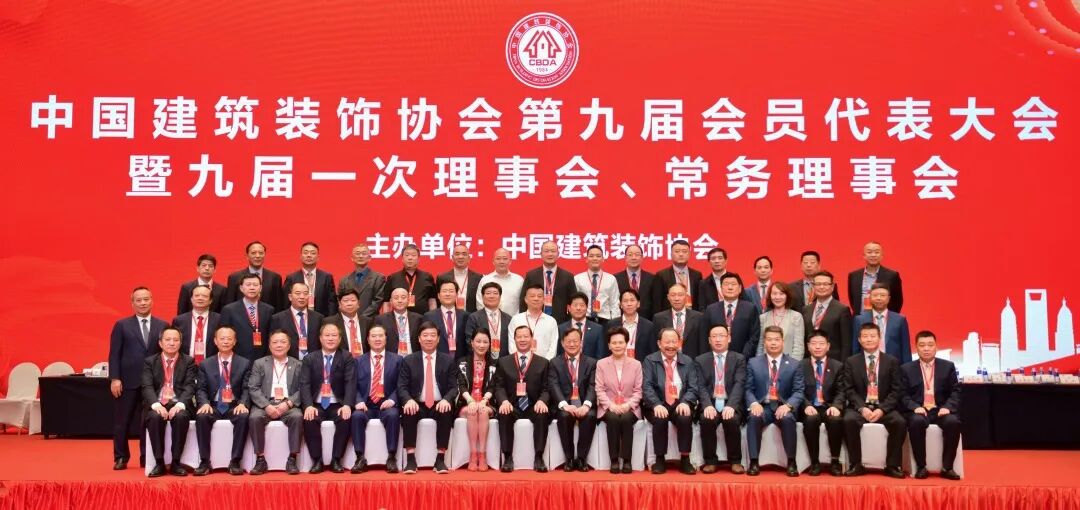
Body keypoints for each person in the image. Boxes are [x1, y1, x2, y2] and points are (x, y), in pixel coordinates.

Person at [108, 286, 167, 470]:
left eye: (146, 299)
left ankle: (146, 457)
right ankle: (121, 457)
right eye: (138, 300)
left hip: (154, 383)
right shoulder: (122, 325)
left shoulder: (163, 325)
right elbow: (114, 354)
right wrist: (115, 378)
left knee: (149, 421)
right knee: (122, 421)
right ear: (132, 303)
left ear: (152, 301)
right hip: (127, 381)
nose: (143, 303)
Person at [841, 323, 906, 478]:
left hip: (883, 407)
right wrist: (861, 408)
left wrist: (882, 409)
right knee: (848, 420)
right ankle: (856, 464)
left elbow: (896, 390)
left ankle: (892, 465)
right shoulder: (851, 362)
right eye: (865, 336)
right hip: (860, 407)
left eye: (872, 336)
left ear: (879, 338)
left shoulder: (891, 361)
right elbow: (849, 389)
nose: (869, 339)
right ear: (859, 339)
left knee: (900, 422)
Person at [900, 331, 962, 480]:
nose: (926, 348)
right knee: (916, 422)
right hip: (919, 410)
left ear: (936, 347)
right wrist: (914, 407)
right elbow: (902, 394)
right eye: (922, 345)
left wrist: (948, 407)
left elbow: (956, 391)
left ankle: (947, 467)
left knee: (953, 422)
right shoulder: (906, 368)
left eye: (930, 345)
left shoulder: (947, 366)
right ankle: (921, 467)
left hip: (940, 409)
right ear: (916, 348)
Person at [397, 321, 457, 474]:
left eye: (432, 335)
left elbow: (453, 387)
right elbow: (401, 387)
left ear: (438, 339)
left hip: (439, 403)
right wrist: (408, 400)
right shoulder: (409, 360)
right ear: (419, 339)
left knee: (446, 411)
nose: (429, 339)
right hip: (417, 403)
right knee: (409, 410)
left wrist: (446, 399)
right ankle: (411, 459)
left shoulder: (448, 361)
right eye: (425, 335)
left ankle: (440, 459)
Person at [744, 326, 804, 477]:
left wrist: (789, 405)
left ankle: (791, 462)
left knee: (788, 418)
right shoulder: (753, 363)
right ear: (764, 342)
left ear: (782, 341)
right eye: (769, 339)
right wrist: (754, 403)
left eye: (777, 340)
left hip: (782, 406)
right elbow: (748, 389)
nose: (773, 343)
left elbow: (799, 391)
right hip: (762, 406)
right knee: (753, 417)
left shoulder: (794, 364)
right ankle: (754, 462)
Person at [192, 326, 250, 476]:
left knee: (243, 416)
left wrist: (243, 403)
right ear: (215, 341)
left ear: (234, 341)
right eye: (222, 338)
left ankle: (235, 461)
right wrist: (204, 403)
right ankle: (204, 461)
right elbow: (200, 389)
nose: (225, 342)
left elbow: (246, 388)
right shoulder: (205, 364)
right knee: (201, 416)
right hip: (213, 405)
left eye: (229, 338)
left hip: (234, 405)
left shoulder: (244, 363)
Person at [299, 322, 357, 474]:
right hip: (316, 403)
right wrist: (308, 405)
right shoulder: (310, 358)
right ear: (320, 338)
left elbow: (350, 382)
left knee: (346, 418)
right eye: (327, 335)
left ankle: (336, 460)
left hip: (337, 403)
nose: (330, 338)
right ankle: (317, 460)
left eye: (334, 335)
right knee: (309, 418)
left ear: (340, 339)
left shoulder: (346, 357)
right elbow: (304, 384)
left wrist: (347, 405)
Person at [493, 325, 552, 472]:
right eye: (519, 336)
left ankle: (539, 457)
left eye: (526, 336)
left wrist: (542, 400)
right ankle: (507, 457)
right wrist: (504, 401)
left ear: (532, 339)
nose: (523, 339)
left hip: (533, 405)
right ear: (514, 339)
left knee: (543, 413)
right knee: (504, 413)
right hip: (512, 405)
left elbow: (547, 388)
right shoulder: (504, 362)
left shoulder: (543, 362)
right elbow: (499, 387)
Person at [643, 328, 700, 475]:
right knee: (660, 418)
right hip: (658, 403)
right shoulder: (650, 360)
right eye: (667, 342)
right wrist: (656, 404)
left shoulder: (688, 361)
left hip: (679, 403)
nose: (671, 345)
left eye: (674, 342)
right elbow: (647, 386)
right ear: (659, 344)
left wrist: (686, 402)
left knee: (685, 417)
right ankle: (660, 459)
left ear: (679, 343)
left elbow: (693, 387)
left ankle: (685, 458)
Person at [142, 327, 197, 477]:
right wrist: (156, 405)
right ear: (160, 343)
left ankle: (176, 463)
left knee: (181, 416)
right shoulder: (150, 362)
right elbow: (147, 386)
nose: (172, 343)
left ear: (180, 343)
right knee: (154, 417)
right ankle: (159, 463)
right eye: (168, 340)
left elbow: (190, 386)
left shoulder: (188, 361)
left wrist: (180, 405)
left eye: (175, 340)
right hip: (157, 402)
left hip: (178, 402)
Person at [247, 331, 303, 475]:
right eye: (275, 342)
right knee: (255, 417)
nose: (279, 345)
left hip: (288, 403)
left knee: (297, 417)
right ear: (269, 345)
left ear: (289, 346)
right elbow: (253, 387)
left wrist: (289, 403)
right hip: (266, 402)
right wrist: (266, 405)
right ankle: (260, 460)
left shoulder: (298, 364)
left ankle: (292, 459)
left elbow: (303, 388)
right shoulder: (259, 363)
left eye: (283, 342)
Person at [694, 324, 746, 474]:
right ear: (709, 340)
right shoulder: (700, 360)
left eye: (721, 336)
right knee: (707, 419)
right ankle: (710, 461)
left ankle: (735, 461)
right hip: (711, 402)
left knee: (731, 420)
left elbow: (739, 383)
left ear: (728, 338)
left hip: (730, 402)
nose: (718, 339)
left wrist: (731, 405)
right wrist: (707, 405)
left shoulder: (739, 359)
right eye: (714, 336)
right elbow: (700, 386)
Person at [350, 324, 402, 474]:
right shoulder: (358, 361)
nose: (377, 339)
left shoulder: (397, 360)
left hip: (387, 404)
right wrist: (358, 401)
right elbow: (352, 385)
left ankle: (391, 457)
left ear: (386, 338)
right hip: (366, 405)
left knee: (393, 415)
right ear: (367, 339)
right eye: (373, 336)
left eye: (380, 336)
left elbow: (401, 385)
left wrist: (392, 400)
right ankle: (360, 458)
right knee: (356, 416)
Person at [594, 327, 643, 474]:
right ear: (609, 345)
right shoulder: (601, 364)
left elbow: (638, 390)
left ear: (626, 343)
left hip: (630, 406)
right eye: (614, 343)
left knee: (627, 419)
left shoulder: (636, 364)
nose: (617, 346)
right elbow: (599, 389)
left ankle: (627, 460)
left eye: (621, 342)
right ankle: (614, 459)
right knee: (613, 419)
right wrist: (611, 405)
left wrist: (628, 405)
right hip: (608, 406)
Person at [549, 328, 598, 472]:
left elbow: (593, 385)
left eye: (575, 341)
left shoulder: (591, 363)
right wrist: (565, 405)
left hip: (584, 403)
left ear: (581, 343)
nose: (572, 344)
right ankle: (569, 458)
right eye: (568, 341)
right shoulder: (554, 363)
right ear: (562, 343)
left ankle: (582, 458)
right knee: (564, 416)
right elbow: (553, 385)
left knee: (590, 416)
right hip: (565, 405)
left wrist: (586, 405)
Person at [798, 330, 844, 476]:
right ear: (808, 346)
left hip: (828, 406)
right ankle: (814, 462)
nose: (817, 347)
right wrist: (806, 405)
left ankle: (835, 462)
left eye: (821, 343)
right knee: (811, 420)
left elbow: (841, 390)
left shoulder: (837, 366)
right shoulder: (800, 365)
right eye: (814, 343)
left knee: (836, 420)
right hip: (810, 406)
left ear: (828, 346)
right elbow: (797, 389)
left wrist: (836, 406)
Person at [455, 329, 498, 471]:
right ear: (472, 343)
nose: (481, 345)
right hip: (467, 402)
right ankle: (473, 454)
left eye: (485, 342)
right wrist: (471, 401)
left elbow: (493, 386)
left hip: (487, 402)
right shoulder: (462, 362)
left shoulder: (494, 364)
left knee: (483, 411)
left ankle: (483, 455)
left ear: (490, 344)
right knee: (472, 411)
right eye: (478, 341)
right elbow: (461, 385)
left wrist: (484, 401)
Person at [219, 273, 274, 361]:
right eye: (248, 285)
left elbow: (271, 335)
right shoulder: (229, 310)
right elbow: (223, 335)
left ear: (260, 288)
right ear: (241, 288)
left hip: (263, 358)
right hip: (237, 358)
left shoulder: (269, 310)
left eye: (255, 285)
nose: (252, 288)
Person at [704, 273, 760, 358]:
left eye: (733, 284)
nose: (730, 287)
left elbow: (754, 336)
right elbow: (705, 336)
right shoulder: (711, 309)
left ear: (740, 288)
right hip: (716, 358)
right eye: (726, 284)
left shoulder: (750, 308)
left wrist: (743, 357)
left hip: (743, 358)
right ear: (721, 288)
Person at [852, 284, 912, 364]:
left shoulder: (900, 320)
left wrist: (906, 368)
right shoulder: (859, 320)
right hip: (867, 364)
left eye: (882, 295)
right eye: (875, 295)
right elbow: (855, 348)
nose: (879, 298)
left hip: (893, 365)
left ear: (889, 298)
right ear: (870, 298)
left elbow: (905, 348)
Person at [521, 241, 576, 324]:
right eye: (546, 251)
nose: (550, 254)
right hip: (535, 320)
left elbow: (573, 302)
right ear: (541, 254)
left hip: (561, 322)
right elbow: (523, 300)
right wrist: (524, 321)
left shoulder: (568, 276)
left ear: (558, 254)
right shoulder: (531, 275)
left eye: (553, 251)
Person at [802, 271, 851, 362]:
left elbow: (846, 343)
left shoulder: (842, 310)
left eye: (825, 284)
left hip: (834, 362)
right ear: (813, 286)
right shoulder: (806, 309)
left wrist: (843, 365)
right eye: (818, 284)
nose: (821, 287)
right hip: (810, 361)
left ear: (832, 287)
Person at [223, 241, 285, 311]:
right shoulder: (234, 278)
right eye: (253, 253)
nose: (257, 256)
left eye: (261, 253)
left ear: (264, 255)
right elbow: (229, 304)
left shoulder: (275, 277)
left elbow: (279, 305)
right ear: (247, 256)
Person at [270, 282, 325, 361]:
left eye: (305, 294)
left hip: (313, 363)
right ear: (290, 297)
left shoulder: (319, 318)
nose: (302, 297)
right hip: (288, 362)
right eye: (298, 293)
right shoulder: (278, 318)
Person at [847, 241, 904, 314]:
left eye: (876, 252)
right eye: (869, 252)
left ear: (882, 255)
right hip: (860, 317)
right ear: (864, 255)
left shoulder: (892, 275)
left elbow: (897, 301)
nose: (873, 255)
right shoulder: (854, 275)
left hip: (883, 318)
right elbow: (852, 300)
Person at [652, 283, 707, 358]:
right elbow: (655, 345)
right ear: (668, 297)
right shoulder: (659, 318)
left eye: (680, 295)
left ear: (686, 296)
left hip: (692, 360)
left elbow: (703, 344)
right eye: (673, 295)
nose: (676, 298)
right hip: (667, 360)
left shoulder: (699, 317)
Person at [284, 241, 337, 317]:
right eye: (306, 253)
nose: (309, 255)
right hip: (298, 318)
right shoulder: (291, 278)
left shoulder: (326, 277)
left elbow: (332, 302)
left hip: (322, 318)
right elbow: (286, 303)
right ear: (301, 256)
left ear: (318, 257)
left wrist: (330, 320)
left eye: (313, 253)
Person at [507, 284, 560, 359]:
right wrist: (520, 361)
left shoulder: (551, 321)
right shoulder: (516, 319)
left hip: (544, 364)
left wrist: (545, 363)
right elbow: (512, 344)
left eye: (539, 296)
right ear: (526, 299)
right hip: (520, 363)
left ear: (544, 300)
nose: (536, 298)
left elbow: (553, 347)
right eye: (532, 296)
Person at [172, 284, 221, 365]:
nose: (200, 298)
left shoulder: (219, 319)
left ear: (210, 300)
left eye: (204, 296)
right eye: (197, 295)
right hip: (185, 365)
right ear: (191, 299)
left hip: (212, 365)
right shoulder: (179, 320)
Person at [382, 244, 437, 315]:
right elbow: (386, 302)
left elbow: (432, 300)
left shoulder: (427, 277)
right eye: (407, 255)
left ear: (418, 259)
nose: (410, 258)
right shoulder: (393, 277)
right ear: (402, 259)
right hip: (398, 319)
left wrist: (432, 318)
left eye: (413, 255)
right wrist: (386, 319)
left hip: (423, 318)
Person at [337, 243, 387, 319]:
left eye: (364, 253)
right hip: (349, 319)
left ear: (369, 258)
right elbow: (339, 300)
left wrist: (362, 317)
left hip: (370, 320)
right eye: (357, 253)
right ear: (352, 258)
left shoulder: (378, 278)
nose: (361, 256)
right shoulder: (344, 280)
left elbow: (378, 301)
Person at [606, 288, 657, 362]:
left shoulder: (649, 326)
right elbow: (606, 350)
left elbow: (653, 351)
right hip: (616, 364)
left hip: (641, 366)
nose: (629, 304)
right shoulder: (612, 324)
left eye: (632, 300)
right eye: (625, 301)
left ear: (638, 304)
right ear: (620, 305)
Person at [464, 282, 512, 359]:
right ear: (482, 297)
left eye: (495, 293)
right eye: (488, 293)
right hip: (482, 359)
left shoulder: (508, 319)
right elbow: (469, 341)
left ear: (500, 297)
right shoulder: (474, 317)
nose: (491, 296)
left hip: (504, 360)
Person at [574, 245, 620, 323]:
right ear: (586, 259)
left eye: (598, 256)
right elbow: (574, 303)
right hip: (584, 319)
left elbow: (614, 303)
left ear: (603, 259)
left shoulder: (611, 279)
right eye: (591, 256)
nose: (595, 258)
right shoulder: (578, 279)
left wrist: (615, 323)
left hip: (605, 320)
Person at [653, 239, 703, 313]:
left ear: (689, 254)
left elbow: (700, 299)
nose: (681, 254)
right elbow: (657, 302)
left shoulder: (697, 275)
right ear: (671, 254)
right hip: (670, 316)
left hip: (693, 315)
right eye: (677, 251)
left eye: (684, 251)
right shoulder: (661, 275)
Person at [759, 282, 805, 360]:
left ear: (787, 296)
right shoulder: (763, 317)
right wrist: (759, 363)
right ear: (770, 296)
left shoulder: (796, 317)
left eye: (781, 294)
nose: (777, 297)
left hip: (788, 363)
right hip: (766, 363)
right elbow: (760, 346)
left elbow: (799, 347)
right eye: (774, 293)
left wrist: (793, 365)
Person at [423, 279, 468, 357]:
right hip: (438, 359)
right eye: (444, 291)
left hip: (460, 360)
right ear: (438, 296)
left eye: (451, 291)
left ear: (456, 295)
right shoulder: (429, 316)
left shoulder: (465, 316)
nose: (448, 294)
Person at [474, 248, 524, 316]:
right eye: (498, 259)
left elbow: (523, 303)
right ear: (493, 261)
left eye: (505, 259)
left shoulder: (519, 280)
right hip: (489, 320)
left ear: (510, 261)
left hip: (514, 320)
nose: (501, 261)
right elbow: (480, 303)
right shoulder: (485, 280)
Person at [324, 289, 372, 358]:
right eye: (346, 301)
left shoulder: (368, 322)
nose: (349, 304)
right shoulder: (330, 322)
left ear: (358, 303)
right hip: (340, 362)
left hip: (364, 362)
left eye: (353, 300)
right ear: (339, 304)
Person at [557, 292, 606, 360]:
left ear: (587, 307)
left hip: (591, 366)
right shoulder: (561, 328)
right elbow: (559, 354)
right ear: (569, 308)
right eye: (575, 305)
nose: (578, 308)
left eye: (582, 305)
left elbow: (600, 356)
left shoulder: (598, 329)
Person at [375, 288, 423, 356]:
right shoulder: (381, 320)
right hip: (391, 358)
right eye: (396, 298)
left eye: (403, 298)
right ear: (391, 301)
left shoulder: (419, 319)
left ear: (408, 300)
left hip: (413, 358)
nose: (400, 301)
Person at [438, 243, 484, 314]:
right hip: (449, 317)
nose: (460, 257)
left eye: (464, 254)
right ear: (452, 257)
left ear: (469, 258)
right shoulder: (442, 277)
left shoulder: (479, 278)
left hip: (472, 317)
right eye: (457, 254)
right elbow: (439, 301)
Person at [614, 244, 656, 320]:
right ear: (625, 258)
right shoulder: (615, 278)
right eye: (630, 255)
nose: (633, 257)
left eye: (637, 254)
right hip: (622, 321)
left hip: (647, 321)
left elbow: (656, 304)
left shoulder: (652, 278)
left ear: (642, 257)